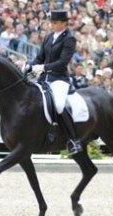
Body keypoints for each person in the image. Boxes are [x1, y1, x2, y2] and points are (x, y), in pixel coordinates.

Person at [26, 10, 82, 154]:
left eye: (55, 22)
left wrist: (43, 67)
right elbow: (40, 57)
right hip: (44, 77)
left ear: (64, 23)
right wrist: (30, 65)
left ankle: (73, 139)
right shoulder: (49, 37)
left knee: (58, 104)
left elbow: (63, 62)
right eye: (51, 22)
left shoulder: (69, 39)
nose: (52, 25)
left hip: (59, 78)